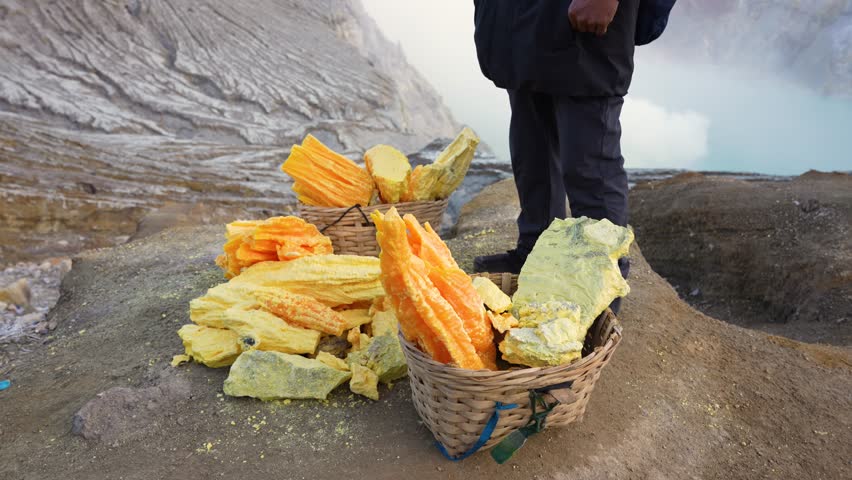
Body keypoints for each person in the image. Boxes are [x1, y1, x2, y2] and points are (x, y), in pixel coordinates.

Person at [472, 0, 675, 312]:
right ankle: (536, 252)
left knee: (589, 165)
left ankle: (599, 286)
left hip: (582, 25)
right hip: (523, 17)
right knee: (531, 144)